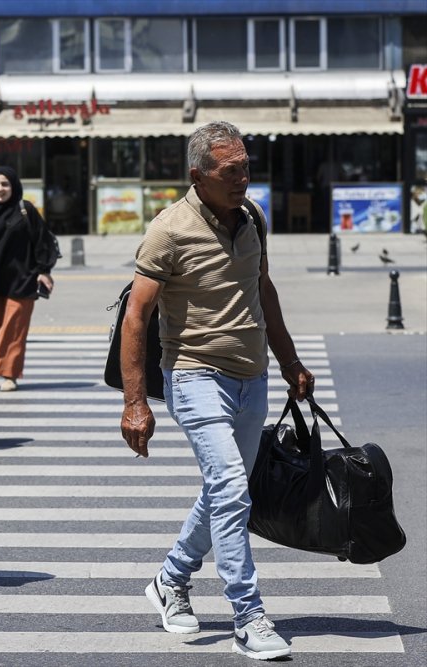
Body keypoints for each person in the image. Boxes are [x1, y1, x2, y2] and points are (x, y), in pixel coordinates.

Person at [119, 121, 314, 660]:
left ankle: (170, 580)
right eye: (231, 171)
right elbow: (137, 316)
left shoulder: (253, 218)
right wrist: (135, 402)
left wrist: (290, 360)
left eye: (246, 167)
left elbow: (263, 289)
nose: (243, 179)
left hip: (252, 380)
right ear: (197, 175)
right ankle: (248, 616)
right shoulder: (170, 229)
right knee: (231, 487)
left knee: (222, 491)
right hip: (195, 375)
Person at [0, 166, 58, 392]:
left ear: (13, 186)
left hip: (22, 279)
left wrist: (44, 271)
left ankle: (10, 374)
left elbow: (42, 241)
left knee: (13, 329)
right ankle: (4, 366)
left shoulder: (25, 210)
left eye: (5, 184)